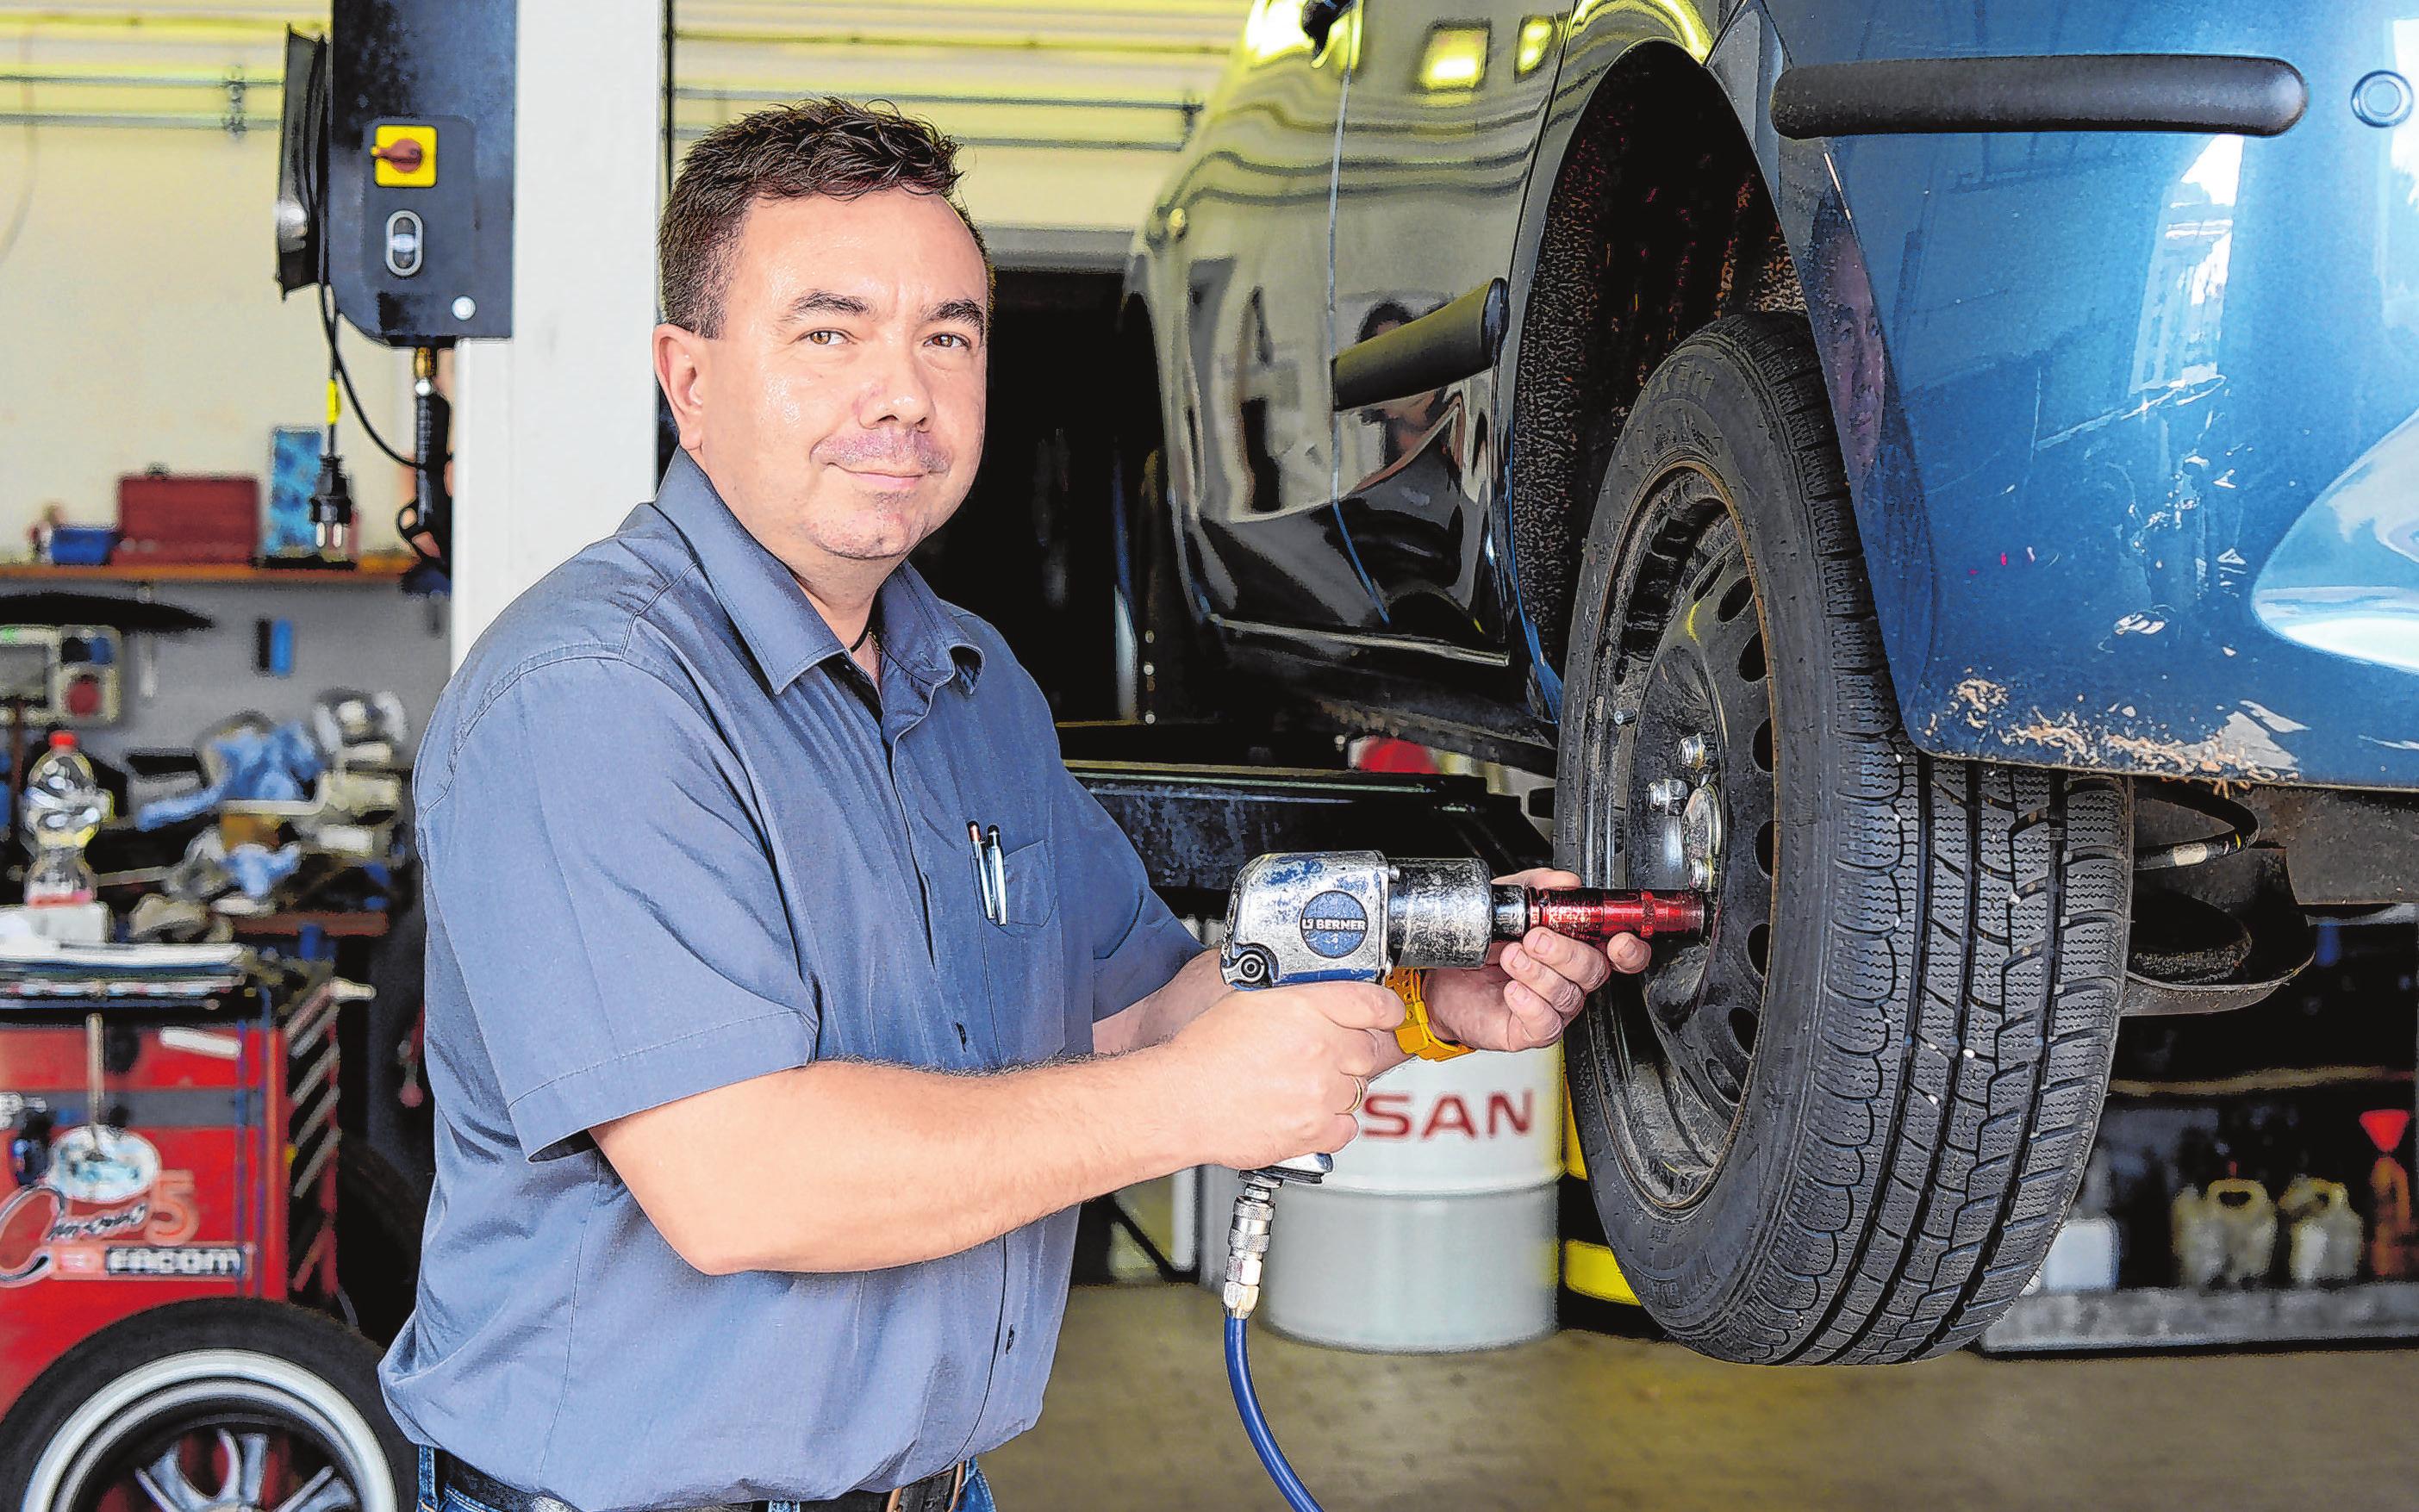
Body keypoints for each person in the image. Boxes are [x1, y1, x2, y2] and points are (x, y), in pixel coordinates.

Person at [377, 97, 1649, 1512]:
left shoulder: (975, 691)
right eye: (829, 330)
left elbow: (1132, 1009)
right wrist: (1187, 1104)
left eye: (948, 335)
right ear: (687, 376)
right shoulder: (595, 699)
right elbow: (739, 1181)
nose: (903, 394)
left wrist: (1415, 988)